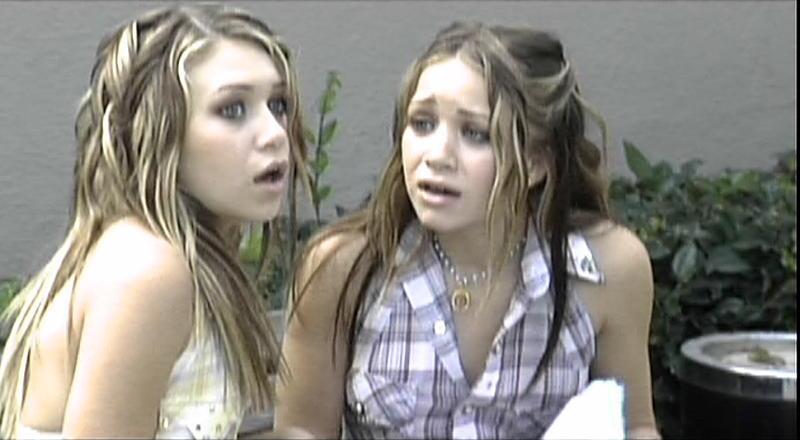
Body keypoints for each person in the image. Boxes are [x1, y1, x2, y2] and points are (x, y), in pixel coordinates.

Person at [275, 22, 660, 439]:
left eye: (475, 134)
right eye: (422, 123)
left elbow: (634, 427)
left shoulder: (608, 267)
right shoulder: (344, 267)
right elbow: (301, 429)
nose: (437, 155)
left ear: (537, 162)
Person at [0, 4, 310, 438]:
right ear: (162, 134)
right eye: (232, 109)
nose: (276, 132)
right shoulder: (149, 270)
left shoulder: (189, 255)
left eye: (278, 104)